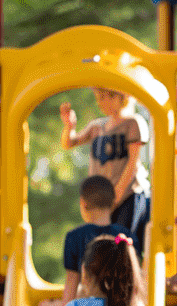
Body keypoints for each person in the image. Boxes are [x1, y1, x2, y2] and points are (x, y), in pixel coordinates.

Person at [60, 88, 151, 262]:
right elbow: (69, 143)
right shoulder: (97, 126)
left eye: (107, 97)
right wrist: (69, 126)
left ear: (122, 97)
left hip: (128, 194)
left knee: (123, 243)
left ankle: (130, 283)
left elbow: (133, 161)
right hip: (104, 197)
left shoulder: (133, 123)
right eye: (99, 98)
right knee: (103, 243)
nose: (101, 102)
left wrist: (117, 194)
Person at [61, 176, 139, 306]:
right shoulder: (126, 236)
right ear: (114, 202)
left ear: (83, 203)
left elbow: (71, 283)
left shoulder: (74, 237)